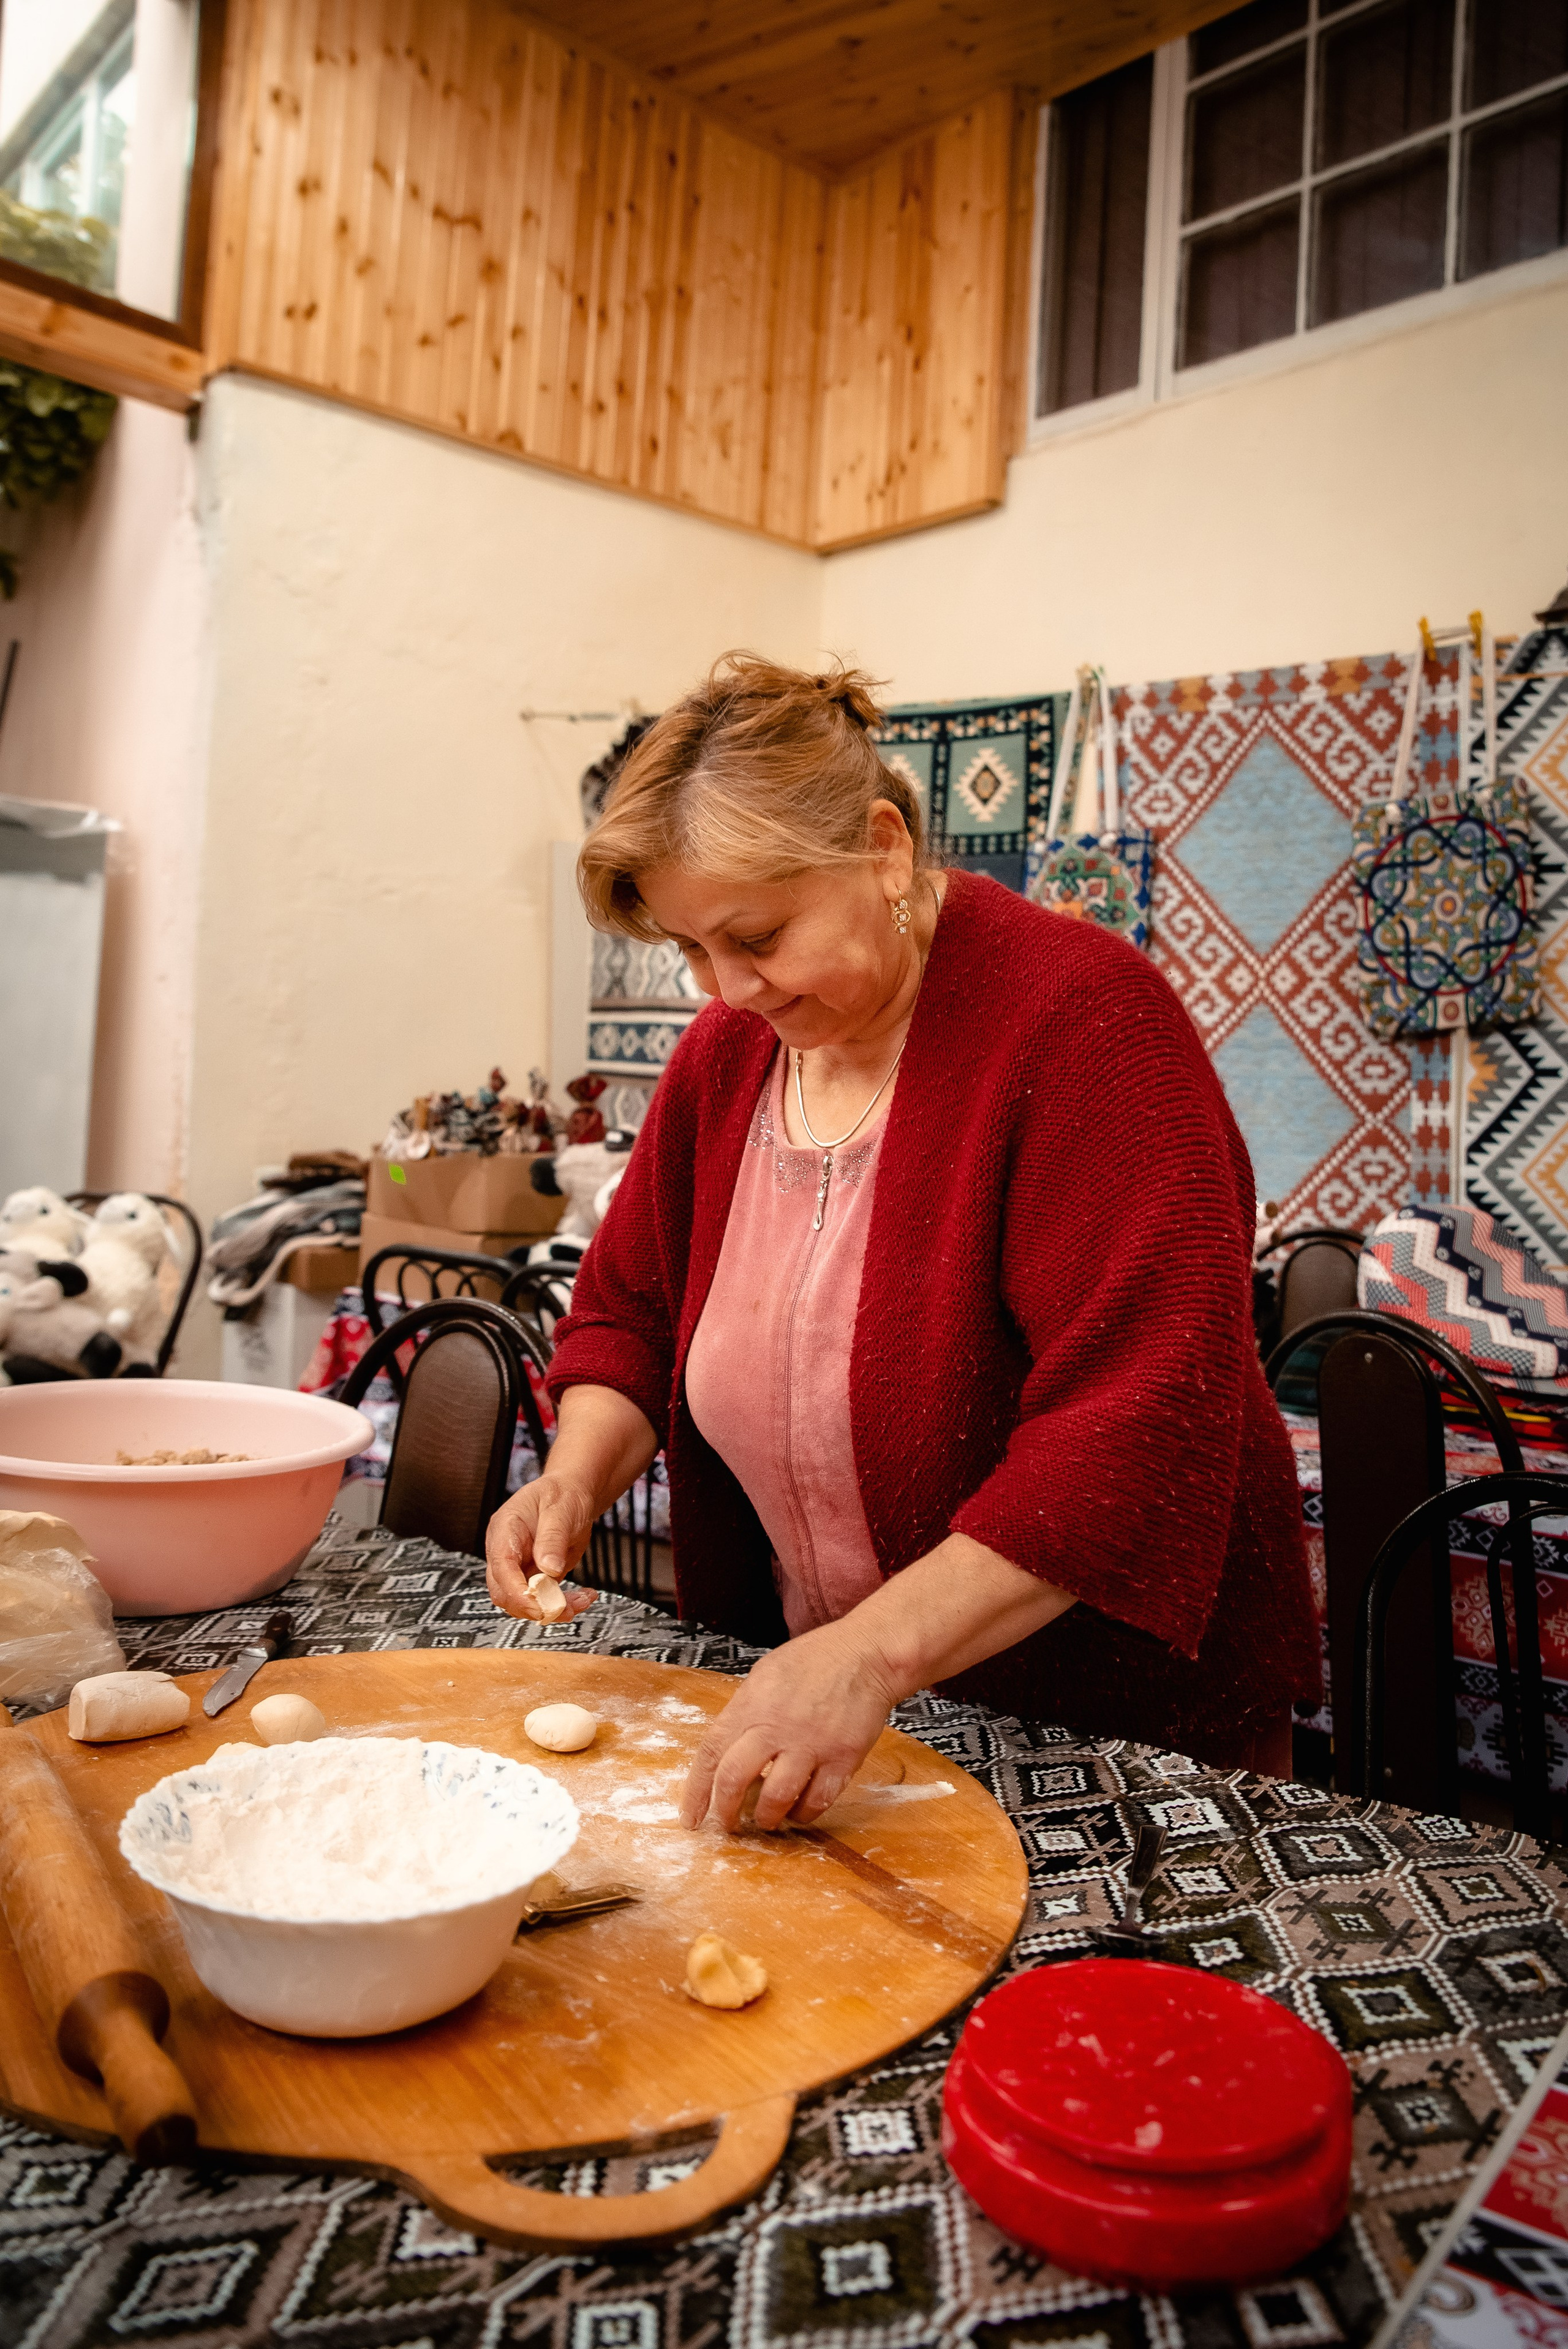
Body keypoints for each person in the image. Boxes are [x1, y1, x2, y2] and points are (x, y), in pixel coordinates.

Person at [486, 652, 1319, 1832]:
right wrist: (573, 1477)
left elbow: (1141, 1420)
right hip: (844, 1731)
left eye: (757, 934)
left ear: (882, 850)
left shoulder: (1082, 1023)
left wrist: (869, 1655)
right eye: (690, 951)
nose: (724, 989)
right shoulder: (730, 1059)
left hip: (1114, 1741)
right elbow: (630, 1316)